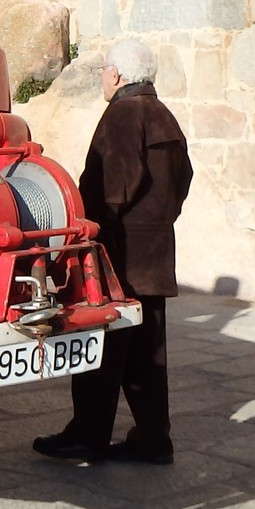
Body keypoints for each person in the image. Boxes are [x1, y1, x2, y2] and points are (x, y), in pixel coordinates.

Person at [34, 38, 193, 466]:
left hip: (117, 257)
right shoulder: (165, 116)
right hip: (154, 256)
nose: (103, 77)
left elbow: (112, 189)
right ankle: (153, 438)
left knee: (99, 347)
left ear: (118, 75)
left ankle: (88, 436)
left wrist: (85, 230)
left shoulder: (124, 114)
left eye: (104, 70)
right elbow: (183, 181)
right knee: (147, 356)